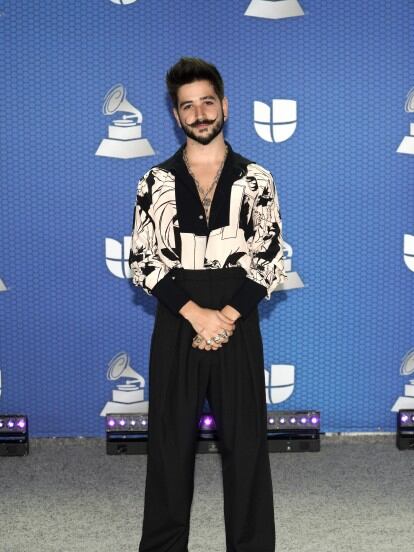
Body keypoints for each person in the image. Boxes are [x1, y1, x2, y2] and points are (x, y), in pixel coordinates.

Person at [129, 56, 287, 552]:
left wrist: (227, 316)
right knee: (169, 450)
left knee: (246, 449)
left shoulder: (257, 179)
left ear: (225, 106)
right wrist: (198, 314)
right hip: (179, 322)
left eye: (207, 103)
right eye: (187, 106)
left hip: (237, 322)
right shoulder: (154, 182)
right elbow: (143, 261)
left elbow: (270, 259)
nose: (199, 114)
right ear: (176, 116)